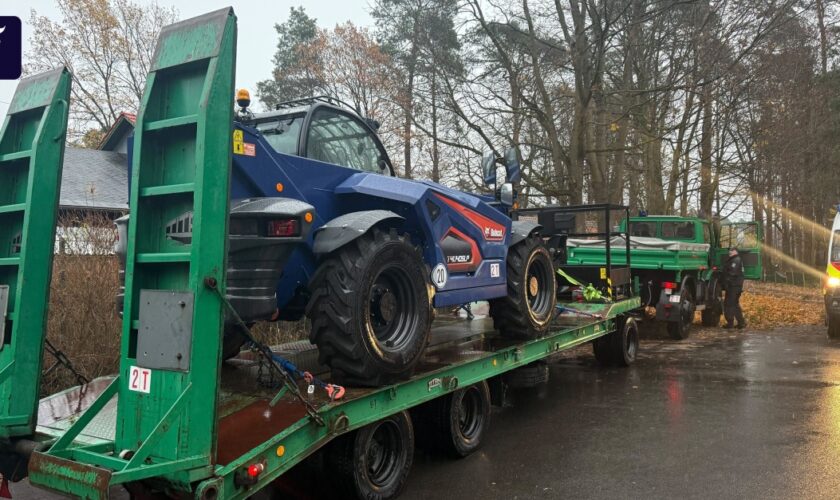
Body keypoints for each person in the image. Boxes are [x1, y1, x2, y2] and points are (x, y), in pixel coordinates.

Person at [722, 247, 746, 329]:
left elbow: (732, 273)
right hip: (735, 286)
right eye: (729, 250)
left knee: (729, 304)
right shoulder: (734, 259)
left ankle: (730, 323)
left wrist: (726, 282)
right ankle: (741, 323)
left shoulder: (736, 260)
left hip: (733, 286)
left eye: (732, 250)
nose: (730, 252)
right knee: (734, 304)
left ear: (736, 252)